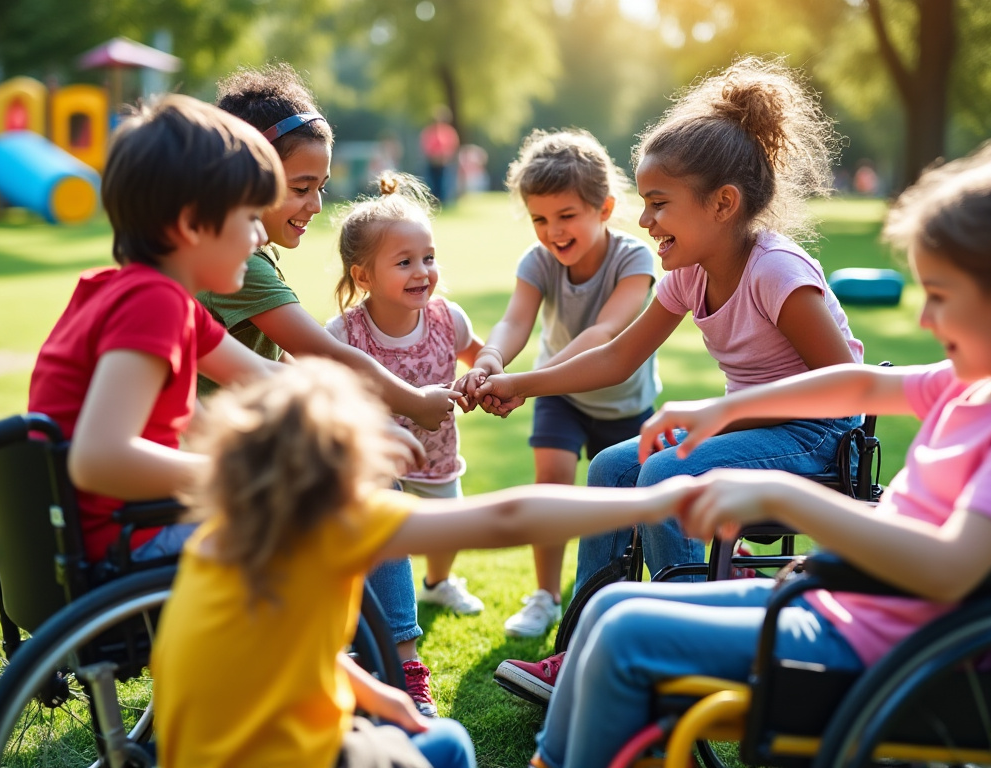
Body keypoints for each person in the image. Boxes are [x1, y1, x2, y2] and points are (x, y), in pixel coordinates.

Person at [525, 137, 991, 768]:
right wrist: (722, 409)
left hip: (887, 645)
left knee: (624, 633)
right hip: (847, 610)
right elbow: (861, 382)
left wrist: (786, 494)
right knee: (614, 607)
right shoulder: (978, 380)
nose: (925, 321)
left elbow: (953, 568)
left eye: (941, 296)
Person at [474, 58, 864, 701]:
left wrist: (720, 414)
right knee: (609, 469)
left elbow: (845, 387)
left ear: (723, 204)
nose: (646, 221)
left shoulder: (776, 273)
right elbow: (617, 357)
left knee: (664, 471)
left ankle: (683, 654)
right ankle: (579, 650)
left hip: (819, 431)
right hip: (750, 422)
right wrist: (521, 384)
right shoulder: (688, 270)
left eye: (658, 204)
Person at [151, 359, 703, 768]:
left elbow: (286, 649)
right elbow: (508, 517)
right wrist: (657, 501)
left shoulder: (216, 542)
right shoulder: (339, 525)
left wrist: (379, 693)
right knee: (451, 745)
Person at [200, 62, 460, 715]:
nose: (316, 205)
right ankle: (400, 665)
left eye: (320, 186)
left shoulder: (212, 251)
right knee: (373, 485)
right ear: (247, 177)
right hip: (218, 458)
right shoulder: (242, 268)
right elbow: (324, 351)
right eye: (301, 187)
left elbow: (278, 367)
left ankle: (349, 652)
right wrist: (413, 402)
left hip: (226, 439)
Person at [26, 94, 284, 564]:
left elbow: (264, 377)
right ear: (190, 224)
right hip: (128, 544)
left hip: (103, 535)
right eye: (250, 217)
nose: (261, 236)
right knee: (311, 531)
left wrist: (363, 418)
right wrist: (233, 472)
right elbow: (98, 458)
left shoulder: (127, 293)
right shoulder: (154, 304)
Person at [454, 129, 660, 638]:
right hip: (559, 397)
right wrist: (491, 361)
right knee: (551, 482)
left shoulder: (634, 259)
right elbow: (514, 322)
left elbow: (604, 332)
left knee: (621, 509)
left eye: (567, 216)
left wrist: (529, 382)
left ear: (604, 208)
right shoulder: (538, 261)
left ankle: (613, 593)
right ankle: (545, 595)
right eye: (540, 219)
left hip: (624, 404)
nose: (553, 232)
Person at [326, 172, 488, 619]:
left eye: (428, 258)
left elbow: (477, 354)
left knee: (446, 529)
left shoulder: (446, 318)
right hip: (373, 461)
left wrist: (487, 377)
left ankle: (438, 582)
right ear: (364, 276)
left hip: (435, 453)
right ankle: (374, 597)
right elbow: (316, 382)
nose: (423, 272)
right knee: (378, 533)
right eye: (404, 263)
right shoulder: (345, 333)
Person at [420, 106, 460, 203]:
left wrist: (445, 156)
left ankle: (444, 200)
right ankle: (434, 200)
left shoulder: (449, 131)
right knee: (432, 183)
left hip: (445, 162)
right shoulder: (429, 131)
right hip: (433, 162)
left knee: (444, 183)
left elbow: (453, 146)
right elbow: (426, 146)